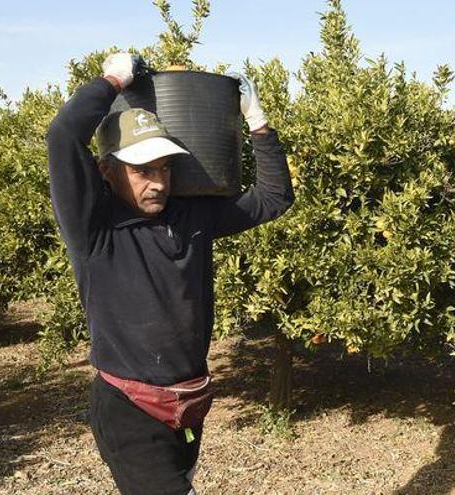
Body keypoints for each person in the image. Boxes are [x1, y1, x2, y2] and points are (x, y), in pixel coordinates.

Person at [46, 52, 295, 494]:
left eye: (164, 167)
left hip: (190, 404)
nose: (157, 182)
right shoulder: (96, 228)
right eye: (142, 171)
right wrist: (111, 81)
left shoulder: (191, 217)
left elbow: (273, 198)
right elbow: (64, 136)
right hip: (130, 411)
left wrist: (257, 123)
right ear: (107, 171)